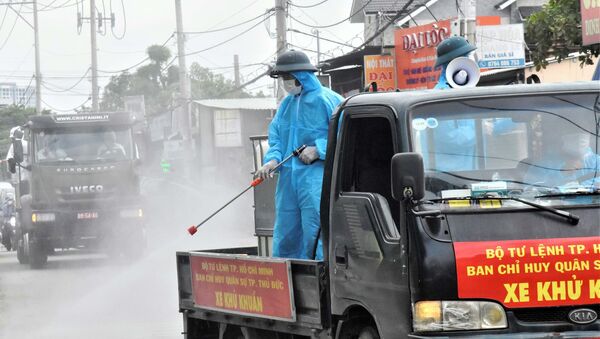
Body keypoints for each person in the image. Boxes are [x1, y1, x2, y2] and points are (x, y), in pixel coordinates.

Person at [255, 50, 343, 260]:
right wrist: (272, 160)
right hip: (288, 181)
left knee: (316, 231)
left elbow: (345, 134)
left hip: (316, 180)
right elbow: (276, 137)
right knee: (286, 233)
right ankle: (287, 281)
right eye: (282, 79)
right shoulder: (286, 105)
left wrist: (319, 150)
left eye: (287, 78)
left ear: (301, 76)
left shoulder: (328, 100)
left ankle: (319, 281)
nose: (285, 83)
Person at [524, 131, 600, 189]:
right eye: (573, 132)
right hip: (553, 208)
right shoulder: (543, 164)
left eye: (584, 132)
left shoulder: (597, 161)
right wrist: (562, 173)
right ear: (561, 138)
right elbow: (529, 190)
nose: (579, 138)